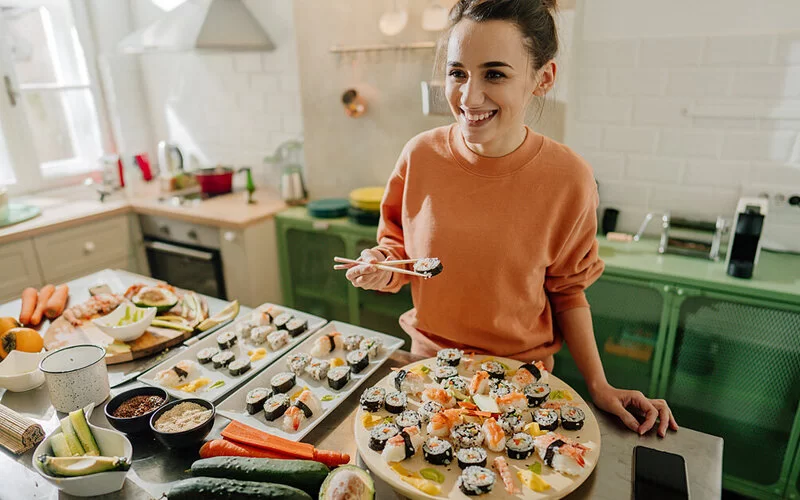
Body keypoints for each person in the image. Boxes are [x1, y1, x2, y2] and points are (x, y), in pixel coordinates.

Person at [335, 0, 678, 437]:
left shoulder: (569, 179)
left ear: (543, 78)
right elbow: (399, 252)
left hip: (520, 384)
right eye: (458, 72)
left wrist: (599, 384)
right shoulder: (419, 155)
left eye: (494, 74)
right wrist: (381, 268)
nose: (469, 96)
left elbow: (568, 292)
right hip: (429, 371)